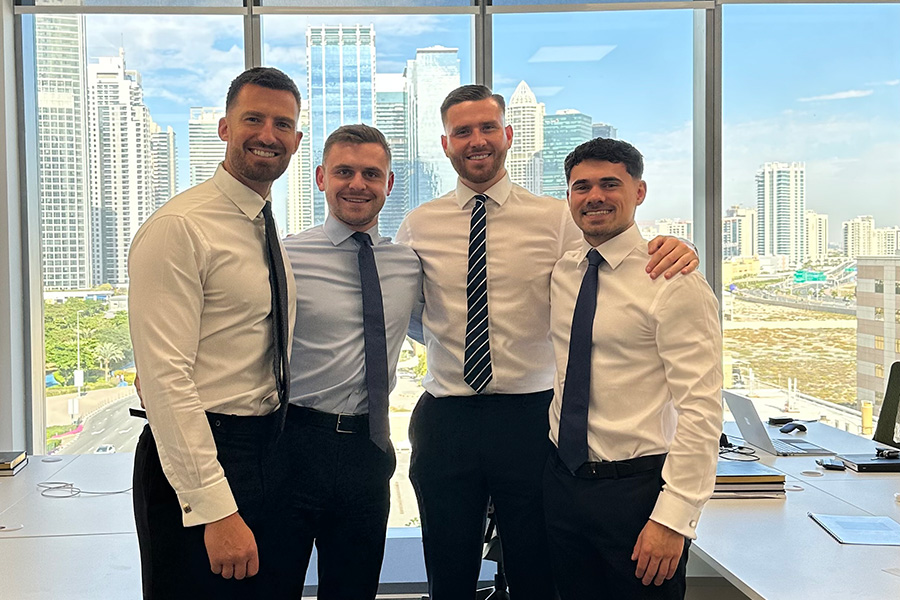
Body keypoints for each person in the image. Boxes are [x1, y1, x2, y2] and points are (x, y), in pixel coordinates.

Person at [394, 84, 700, 599]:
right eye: (462, 131)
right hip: (446, 418)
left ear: (509, 135)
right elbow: (413, 313)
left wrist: (680, 247)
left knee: (538, 575)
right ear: (445, 144)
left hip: (531, 419)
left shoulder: (557, 218)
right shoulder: (418, 224)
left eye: (487, 127)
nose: (477, 140)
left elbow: (619, 257)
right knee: (448, 576)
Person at [128, 67, 302, 599]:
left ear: (296, 141)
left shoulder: (262, 222)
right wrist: (215, 508)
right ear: (225, 127)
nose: (268, 134)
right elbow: (164, 379)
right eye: (254, 118)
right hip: (202, 456)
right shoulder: (181, 227)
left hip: (265, 448)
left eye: (283, 124)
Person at [544, 137, 722, 599]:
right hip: (563, 487)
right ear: (568, 196)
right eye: (581, 186)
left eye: (610, 184)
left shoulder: (672, 281)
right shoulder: (565, 271)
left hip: (638, 494)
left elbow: (701, 408)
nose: (594, 196)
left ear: (639, 192)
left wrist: (673, 516)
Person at [276, 124, 423, 599]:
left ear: (388, 184)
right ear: (321, 177)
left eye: (370, 173)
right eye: (344, 171)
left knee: (354, 590)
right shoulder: (284, 257)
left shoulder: (410, 263)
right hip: (292, 445)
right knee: (272, 587)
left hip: (368, 450)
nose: (357, 184)